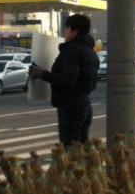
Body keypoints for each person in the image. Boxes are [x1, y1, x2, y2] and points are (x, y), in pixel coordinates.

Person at [29, 14, 99, 147]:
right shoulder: (90, 51)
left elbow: (68, 80)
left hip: (70, 106)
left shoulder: (72, 50)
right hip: (84, 104)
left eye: (67, 28)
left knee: (70, 148)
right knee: (82, 148)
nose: (64, 31)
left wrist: (42, 74)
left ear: (75, 31)